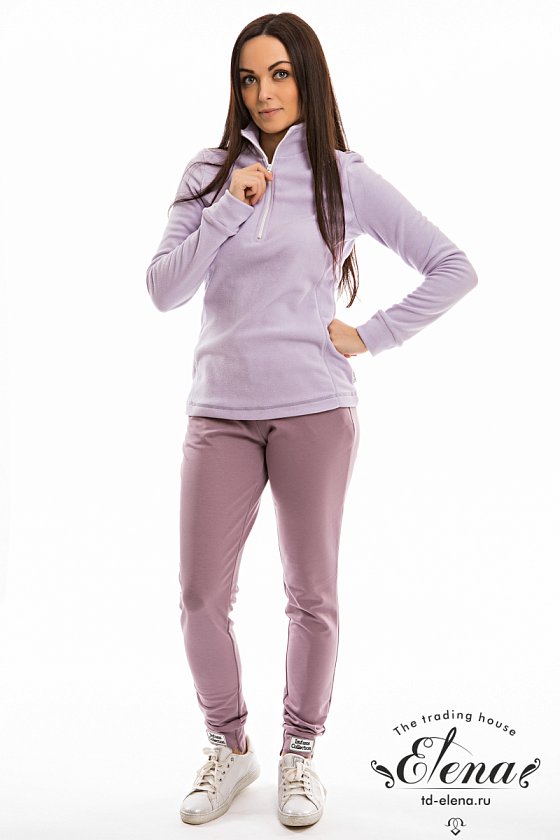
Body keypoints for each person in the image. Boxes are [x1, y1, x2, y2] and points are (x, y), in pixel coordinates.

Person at [145, 12, 478, 829]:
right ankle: (230, 745)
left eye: (280, 74)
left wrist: (371, 334)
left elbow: (453, 266)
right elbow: (163, 289)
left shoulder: (341, 177)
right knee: (198, 595)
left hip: (315, 408)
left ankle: (299, 754)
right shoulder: (207, 174)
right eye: (248, 78)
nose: (263, 93)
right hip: (220, 411)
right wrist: (226, 208)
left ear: (307, 79)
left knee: (312, 595)